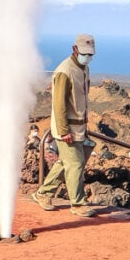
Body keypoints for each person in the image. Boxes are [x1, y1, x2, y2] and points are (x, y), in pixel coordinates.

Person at [31, 34, 97, 217]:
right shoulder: (64, 72)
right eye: (85, 53)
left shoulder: (84, 68)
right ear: (74, 50)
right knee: (76, 164)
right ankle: (78, 204)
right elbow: (59, 104)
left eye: (90, 54)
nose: (87, 57)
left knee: (66, 163)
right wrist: (63, 130)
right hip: (67, 129)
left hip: (79, 127)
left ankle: (43, 193)